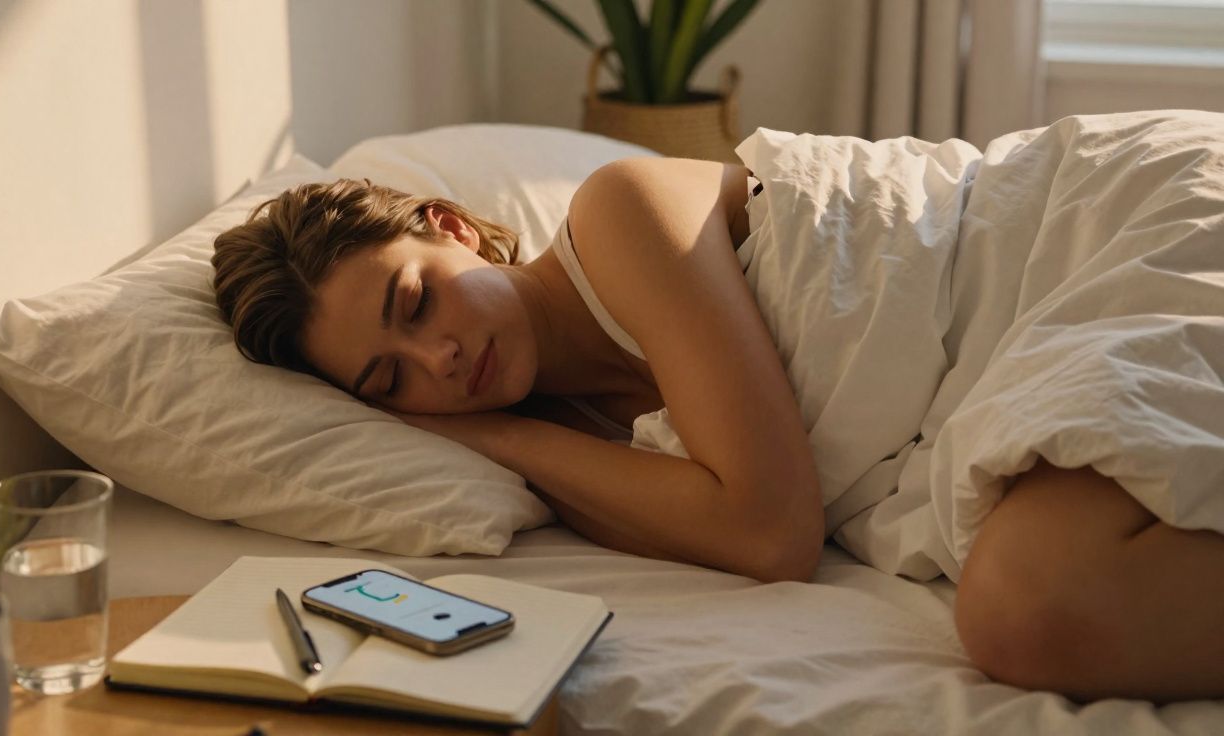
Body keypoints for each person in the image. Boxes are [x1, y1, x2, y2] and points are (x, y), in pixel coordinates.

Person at [212, 148, 1224, 704]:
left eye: (416, 300)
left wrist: (500, 436)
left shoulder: (620, 214)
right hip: (1022, 351)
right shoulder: (582, 454)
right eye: (390, 379)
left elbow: (770, 532)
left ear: (452, 227)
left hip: (1089, 237)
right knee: (1037, 610)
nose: (437, 359)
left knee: (1027, 608)